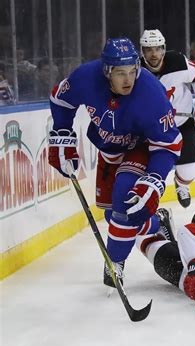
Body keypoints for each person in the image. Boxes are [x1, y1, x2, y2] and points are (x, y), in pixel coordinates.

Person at [48, 37, 182, 288]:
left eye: (132, 71)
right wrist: (62, 134)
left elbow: (169, 145)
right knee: (115, 216)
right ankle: (156, 222)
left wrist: (154, 181)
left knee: (124, 198)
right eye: (121, 73)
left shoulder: (151, 94)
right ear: (107, 71)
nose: (128, 80)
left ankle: (115, 264)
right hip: (109, 149)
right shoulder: (86, 77)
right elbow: (61, 100)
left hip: (141, 148)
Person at [140, 29, 195, 208]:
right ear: (142, 51)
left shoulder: (178, 62)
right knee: (145, 168)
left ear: (164, 48)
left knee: (190, 170)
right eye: (149, 49)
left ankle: (181, 185)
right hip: (152, 127)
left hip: (181, 123)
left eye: (158, 49)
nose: (154, 54)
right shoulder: (135, 69)